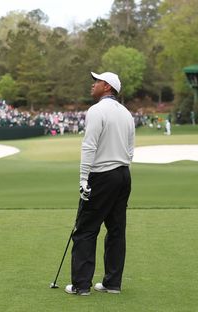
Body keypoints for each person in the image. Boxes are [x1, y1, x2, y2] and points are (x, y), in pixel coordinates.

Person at [65, 72, 135, 296]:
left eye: (96, 81)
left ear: (106, 86)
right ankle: (112, 283)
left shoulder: (96, 111)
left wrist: (84, 178)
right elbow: (131, 150)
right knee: (116, 230)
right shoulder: (126, 113)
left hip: (102, 175)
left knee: (85, 230)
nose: (92, 84)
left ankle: (81, 285)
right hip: (123, 175)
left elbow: (89, 146)